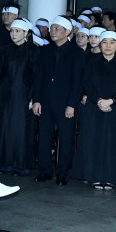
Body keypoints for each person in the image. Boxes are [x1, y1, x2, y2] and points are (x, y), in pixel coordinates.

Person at [73, 31, 116, 189]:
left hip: (115, 108)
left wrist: (111, 101)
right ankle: (95, 177)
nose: (108, 45)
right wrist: (98, 101)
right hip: (95, 106)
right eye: (104, 42)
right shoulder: (92, 62)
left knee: (112, 143)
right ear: (100, 44)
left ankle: (111, 178)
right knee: (95, 141)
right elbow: (87, 83)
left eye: (112, 42)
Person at [32, 16, 85, 186]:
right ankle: (45, 170)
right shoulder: (45, 50)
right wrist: (36, 100)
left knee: (66, 138)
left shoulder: (76, 52)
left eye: (57, 29)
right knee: (44, 137)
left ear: (67, 32)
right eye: (52, 28)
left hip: (65, 103)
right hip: (46, 101)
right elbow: (38, 77)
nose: (53, 32)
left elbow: (78, 81)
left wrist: (72, 104)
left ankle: (62, 172)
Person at [0, 18, 39, 175]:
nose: (14, 34)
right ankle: (4, 164)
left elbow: (36, 77)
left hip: (24, 97)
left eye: (18, 31)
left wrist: (33, 97)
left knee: (21, 130)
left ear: (26, 33)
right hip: (5, 96)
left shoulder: (33, 50)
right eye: (12, 31)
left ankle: (20, 165)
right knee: (4, 128)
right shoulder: (4, 50)